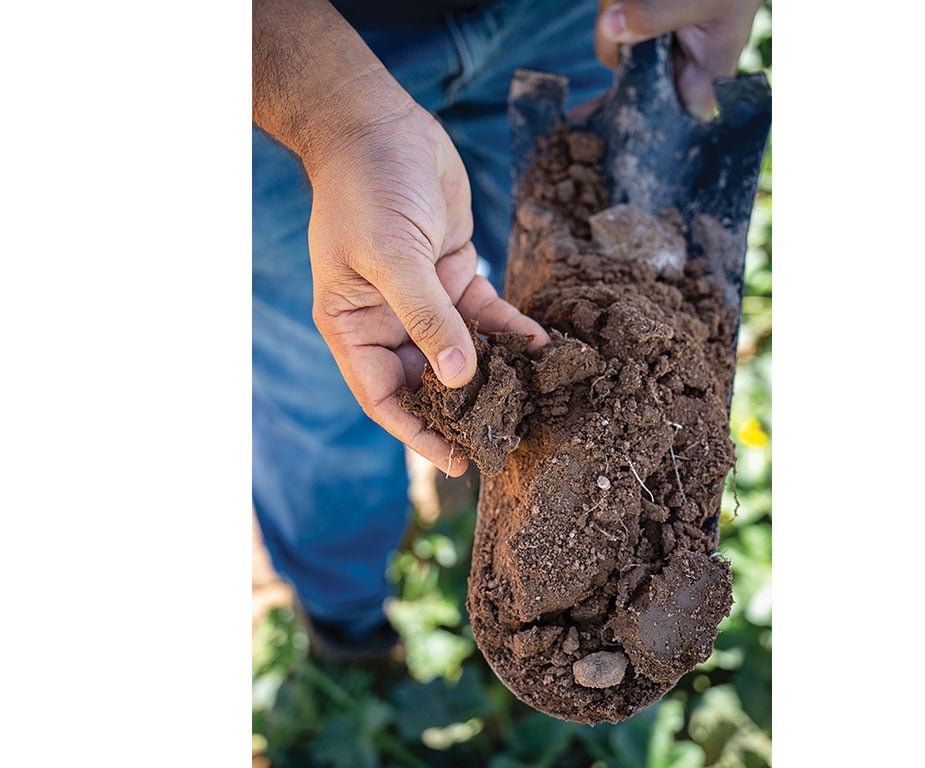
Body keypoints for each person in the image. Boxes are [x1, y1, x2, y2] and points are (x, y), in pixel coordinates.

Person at [252, 0, 761, 659]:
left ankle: (509, 485)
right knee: (332, 378)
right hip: (290, 50)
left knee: (573, 304)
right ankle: (346, 619)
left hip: (570, 19)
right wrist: (340, 116)